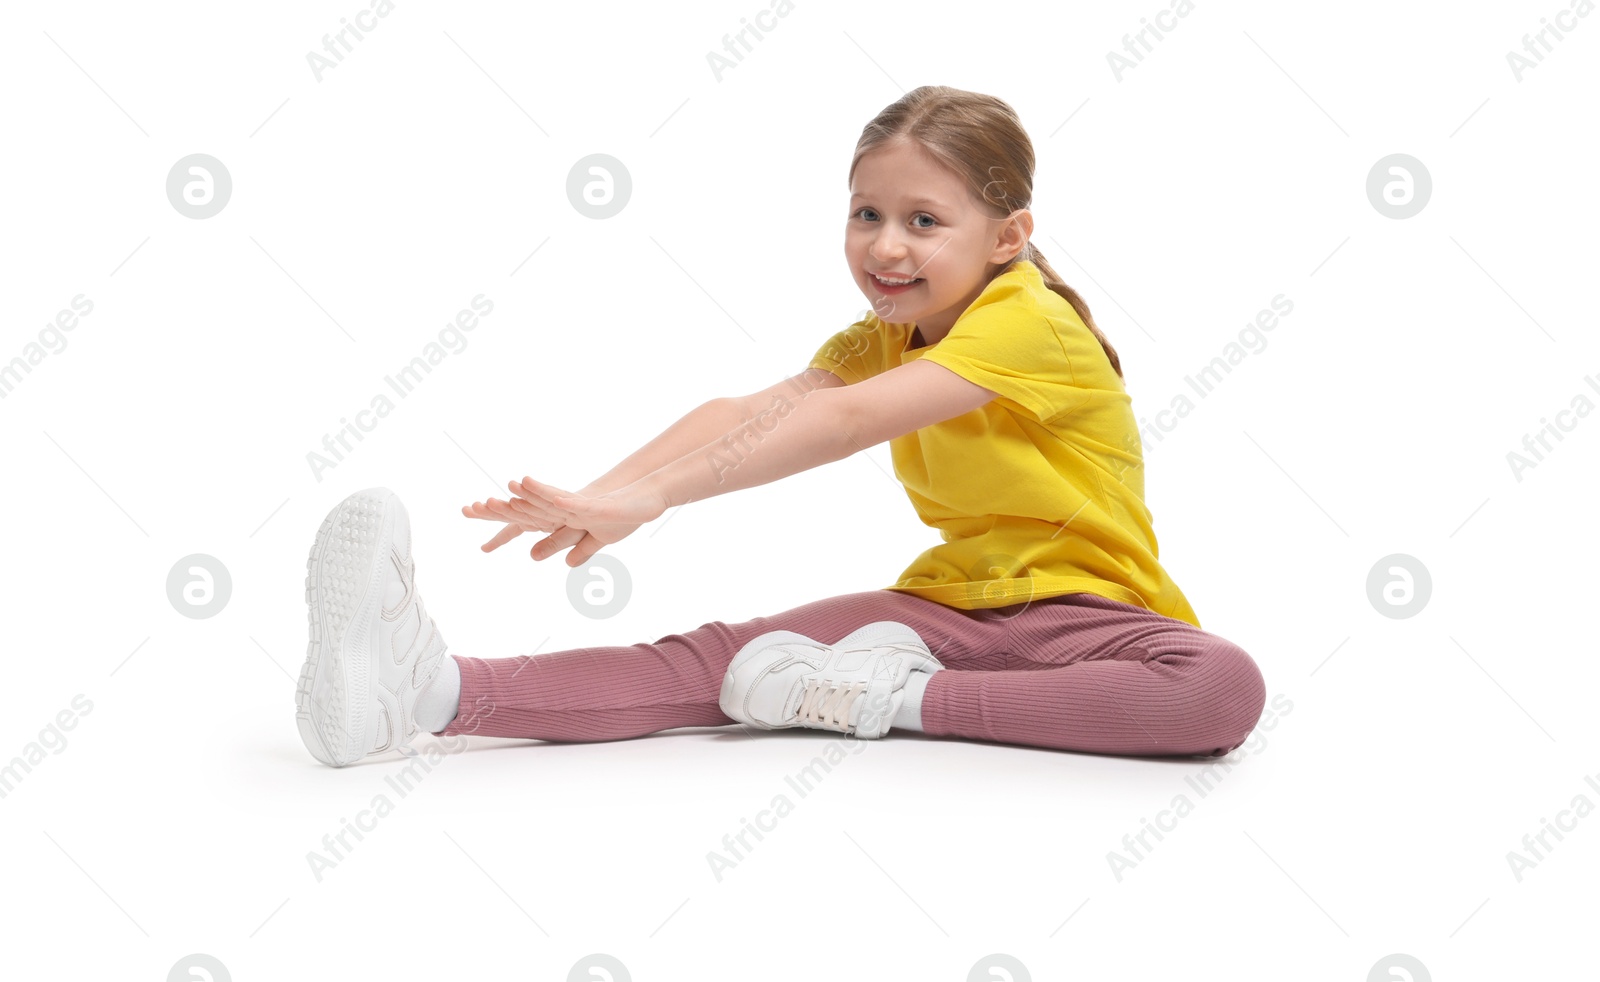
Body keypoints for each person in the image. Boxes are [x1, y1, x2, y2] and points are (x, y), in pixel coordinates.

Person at [295, 84, 1266, 769]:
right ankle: (423, 691)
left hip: (1090, 622)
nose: (885, 245)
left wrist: (652, 496)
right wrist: (611, 494)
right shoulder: (881, 333)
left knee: (1218, 683)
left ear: (1005, 236)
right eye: (866, 212)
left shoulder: (1028, 318)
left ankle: (888, 705)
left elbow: (844, 423)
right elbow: (758, 411)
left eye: (925, 220)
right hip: (948, 611)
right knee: (713, 658)